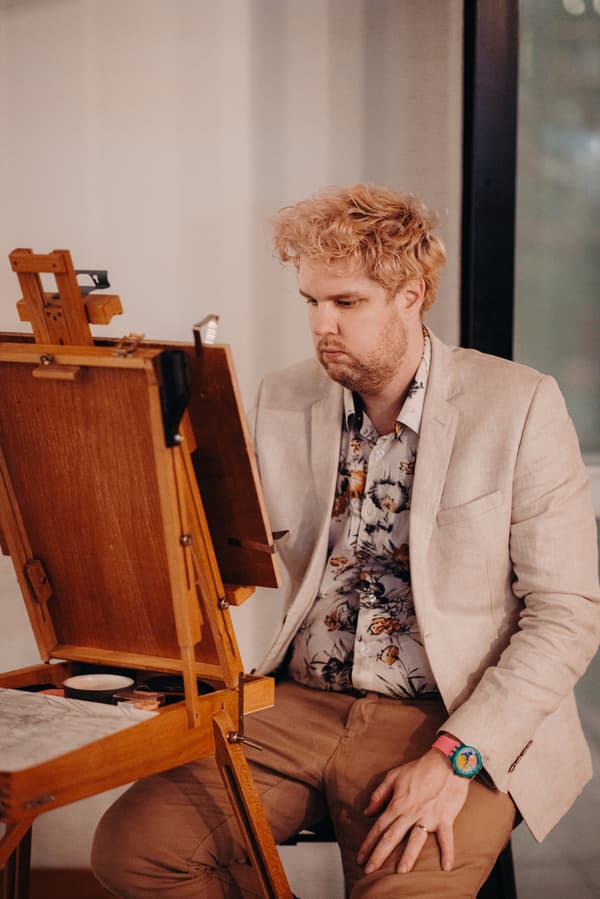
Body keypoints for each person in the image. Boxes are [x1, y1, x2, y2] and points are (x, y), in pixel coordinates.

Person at [92, 185, 600, 898]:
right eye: (310, 302)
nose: (320, 324)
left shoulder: (518, 404)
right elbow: (219, 547)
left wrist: (457, 757)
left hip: (451, 715)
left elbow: (568, 613)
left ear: (410, 296)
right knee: (133, 849)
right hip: (294, 703)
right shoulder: (284, 395)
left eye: (346, 302)